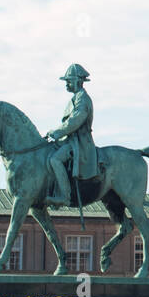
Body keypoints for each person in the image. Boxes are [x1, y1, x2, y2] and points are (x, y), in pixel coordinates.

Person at [46, 63, 99, 207]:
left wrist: (56, 133)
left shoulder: (83, 99)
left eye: (69, 81)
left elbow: (75, 121)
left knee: (55, 160)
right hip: (69, 140)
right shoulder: (76, 98)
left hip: (80, 142)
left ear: (78, 81)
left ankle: (64, 196)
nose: (67, 84)